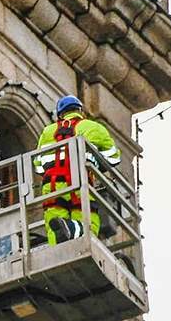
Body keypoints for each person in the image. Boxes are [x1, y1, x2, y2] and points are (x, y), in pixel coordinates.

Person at [35, 95, 121, 244]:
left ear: (60, 114)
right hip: (80, 180)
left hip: (52, 185)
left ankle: (60, 246)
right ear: (80, 111)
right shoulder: (93, 127)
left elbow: (37, 163)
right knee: (88, 221)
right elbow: (114, 157)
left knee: (54, 219)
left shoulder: (47, 132)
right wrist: (96, 164)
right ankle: (74, 229)